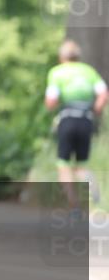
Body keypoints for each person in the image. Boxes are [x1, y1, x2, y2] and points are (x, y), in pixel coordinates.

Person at [45, 39, 107, 207]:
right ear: (78, 57)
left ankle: (73, 204)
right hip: (86, 119)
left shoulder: (57, 72)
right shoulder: (89, 71)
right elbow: (103, 94)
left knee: (63, 163)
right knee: (82, 164)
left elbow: (50, 101)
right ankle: (94, 191)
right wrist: (95, 110)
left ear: (61, 57)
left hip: (67, 118)